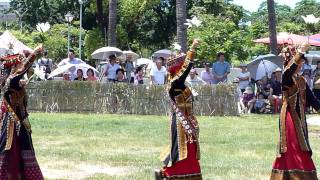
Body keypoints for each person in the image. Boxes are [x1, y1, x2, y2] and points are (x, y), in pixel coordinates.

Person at [270, 44, 320, 179]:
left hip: (300, 118)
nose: (302, 64)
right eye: (300, 62)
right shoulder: (287, 77)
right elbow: (288, 70)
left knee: (302, 146)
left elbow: (312, 100)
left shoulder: (301, 80)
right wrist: (300, 51)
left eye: (302, 62)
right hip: (290, 117)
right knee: (292, 146)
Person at [155, 39, 202, 180]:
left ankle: (169, 174)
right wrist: (192, 49)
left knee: (188, 150)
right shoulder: (175, 82)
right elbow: (186, 70)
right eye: (181, 64)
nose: (184, 67)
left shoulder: (178, 82)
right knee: (183, 151)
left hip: (186, 121)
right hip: (180, 123)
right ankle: (168, 174)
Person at [0, 45, 44, 179]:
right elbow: (23, 68)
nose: (21, 69)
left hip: (21, 122)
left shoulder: (15, 82)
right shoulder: (11, 81)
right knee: (12, 151)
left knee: (24, 149)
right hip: (13, 125)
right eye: (18, 65)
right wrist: (35, 53)